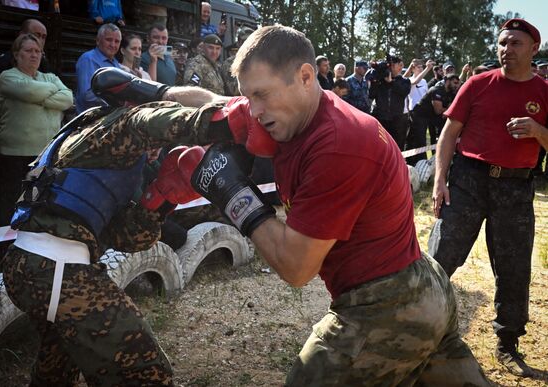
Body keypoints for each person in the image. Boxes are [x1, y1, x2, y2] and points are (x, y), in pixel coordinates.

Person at [191, 25, 490, 386]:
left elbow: (297, 267)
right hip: (422, 283)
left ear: (305, 76)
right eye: (248, 96)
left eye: (261, 95)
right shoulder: (297, 111)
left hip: (388, 305)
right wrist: (150, 95)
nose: (253, 111)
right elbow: (214, 102)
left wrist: (233, 194)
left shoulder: (337, 144)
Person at [1, 65, 272, 385]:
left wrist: (161, 198)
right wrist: (240, 117)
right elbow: (161, 122)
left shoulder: (91, 147)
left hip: (33, 269)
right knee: (144, 371)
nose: (156, 150)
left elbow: (125, 238)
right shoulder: (119, 124)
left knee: (57, 371)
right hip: (58, 268)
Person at [428, 18, 548, 378]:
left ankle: (508, 343)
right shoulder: (478, 84)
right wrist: (439, 181)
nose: (506, 50)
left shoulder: (544, 92)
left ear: (533, 50)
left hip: (515, 187)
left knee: (513, 268)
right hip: (468, 181)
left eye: (514, 44)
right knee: (440, 257)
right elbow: (449, 135)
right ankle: (420, 327)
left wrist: (538, 130)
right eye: (502, 43)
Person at [0, 33, 72, 259]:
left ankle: (29, 254)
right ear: (17, 54)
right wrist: (48, 93)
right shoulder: (7, 77)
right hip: (14, 157)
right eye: (29, 50)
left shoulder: (49, 77)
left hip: (42, 157)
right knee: (8, 208)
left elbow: (68, 98)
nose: (34, 55)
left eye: (38, 51)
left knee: (34, 205)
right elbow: (28, 91)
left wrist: (37, 93)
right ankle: (2, 257)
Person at [406, 74, 460, 165]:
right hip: (419, 115)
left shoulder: (451, 92)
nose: (456, 86)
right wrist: (449, 109)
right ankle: (420, 165)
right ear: (447, 81)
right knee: (419, 141)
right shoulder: (437, 90)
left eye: (458, 84)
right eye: (455, 83)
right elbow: (438, 110)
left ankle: (438, 161)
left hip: (431, 117)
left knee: (442, 136)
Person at [75, 23, 121, 113]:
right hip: (90, 121)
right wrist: (116, 102)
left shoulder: (115, 63)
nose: (113, 44)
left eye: (117, 41)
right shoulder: (88, 59)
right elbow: (87, 95)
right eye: (109, 40)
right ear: (98, 41)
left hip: (109, 118)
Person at [369, 55, 411, 150]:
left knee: (397, 147)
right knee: (380, 146)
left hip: (397, 120)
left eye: (402, 65)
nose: (401, 67)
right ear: (391, 66)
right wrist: (375, 81)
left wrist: (391, 82)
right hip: (381, 118)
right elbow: (371, 95)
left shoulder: (405, 81)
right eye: (399, 65)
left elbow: (404, 91)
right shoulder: (380, 81)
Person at [221, 26, 254, 96]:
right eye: (244, 42)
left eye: (251, 42)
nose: (247, 45)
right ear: (238, 43)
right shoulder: (230, 63)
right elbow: (234, 90)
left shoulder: (258, 61)